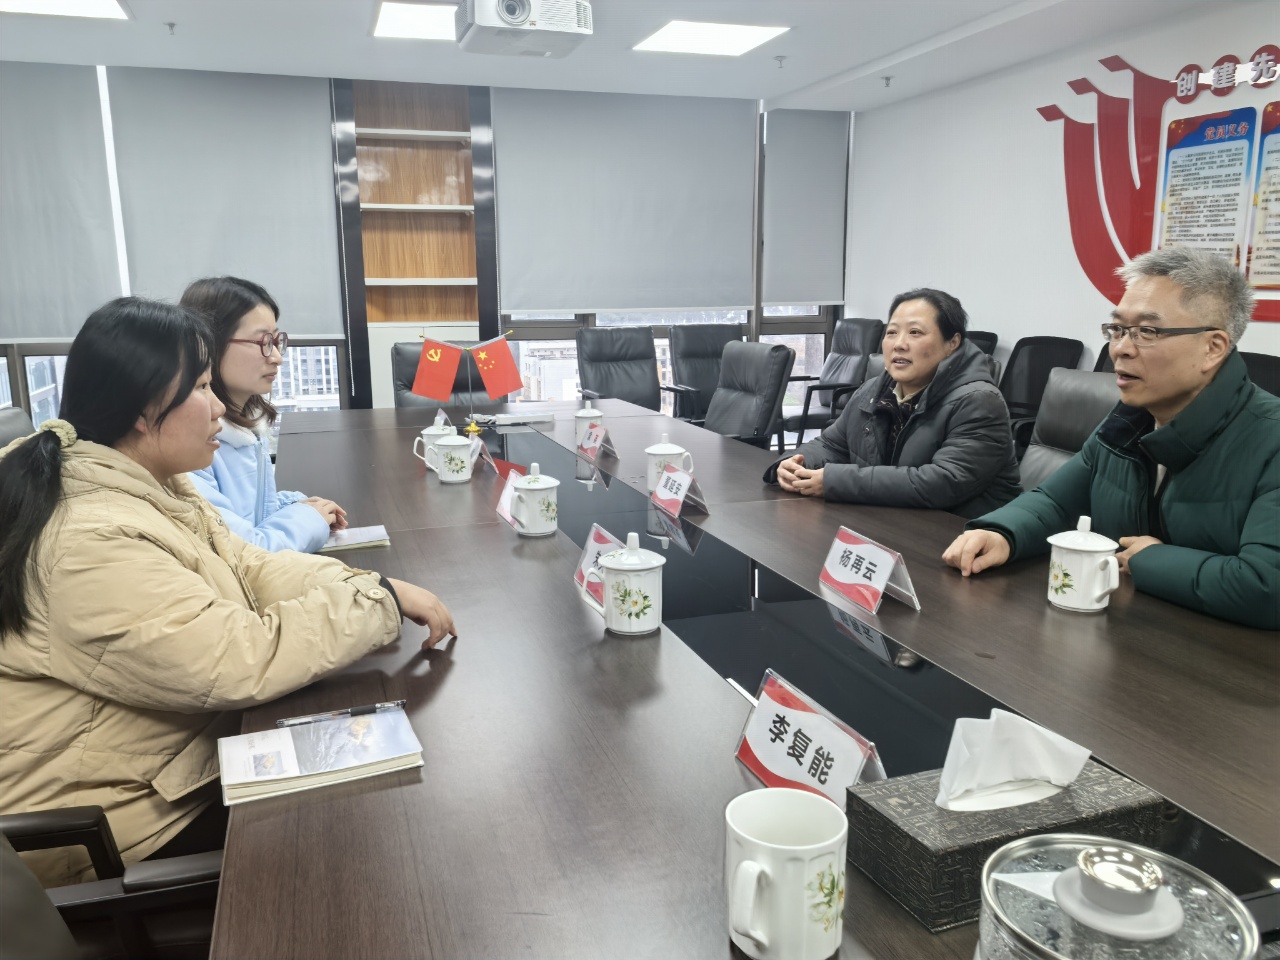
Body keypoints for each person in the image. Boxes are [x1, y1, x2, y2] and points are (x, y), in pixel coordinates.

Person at [0, 298, 456, 886]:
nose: (219, 406)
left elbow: (249, 566)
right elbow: (237, 660)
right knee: (376, 833)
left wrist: (373, 588)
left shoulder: (153, 484)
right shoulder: (87, 540)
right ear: (143, 410)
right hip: (113, 830)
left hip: (169, 766)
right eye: (200, 388)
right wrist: (376, 607)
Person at [943, 248, 1279, 630]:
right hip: (1119, 633)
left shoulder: (1270, 438)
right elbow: (1056, 501)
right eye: (1117, 329)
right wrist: (1002, 532)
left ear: (1212, 348)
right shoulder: (1127, 422)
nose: (1120, 348)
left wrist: (1150, 559)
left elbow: (1266, 586)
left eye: (1147, 332)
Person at [764, 288, 1021, 518]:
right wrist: (794, 463)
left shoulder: (979, 401)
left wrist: (833, 481)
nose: (899, 344)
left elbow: (942, 483)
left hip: (963, 539)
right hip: (892, 525)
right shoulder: (872, 391)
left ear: (952, 343)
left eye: (915, 332)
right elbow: (831, 444)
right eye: (892, 332)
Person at [181, 276, 343, 553]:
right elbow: (248, 551)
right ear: (210, 344)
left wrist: (295, 505)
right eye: (264, 341)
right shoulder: (186, 445)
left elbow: (251, 513)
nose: (277, 357)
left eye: (277, 340)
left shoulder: (246, 426)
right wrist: (308, 519)